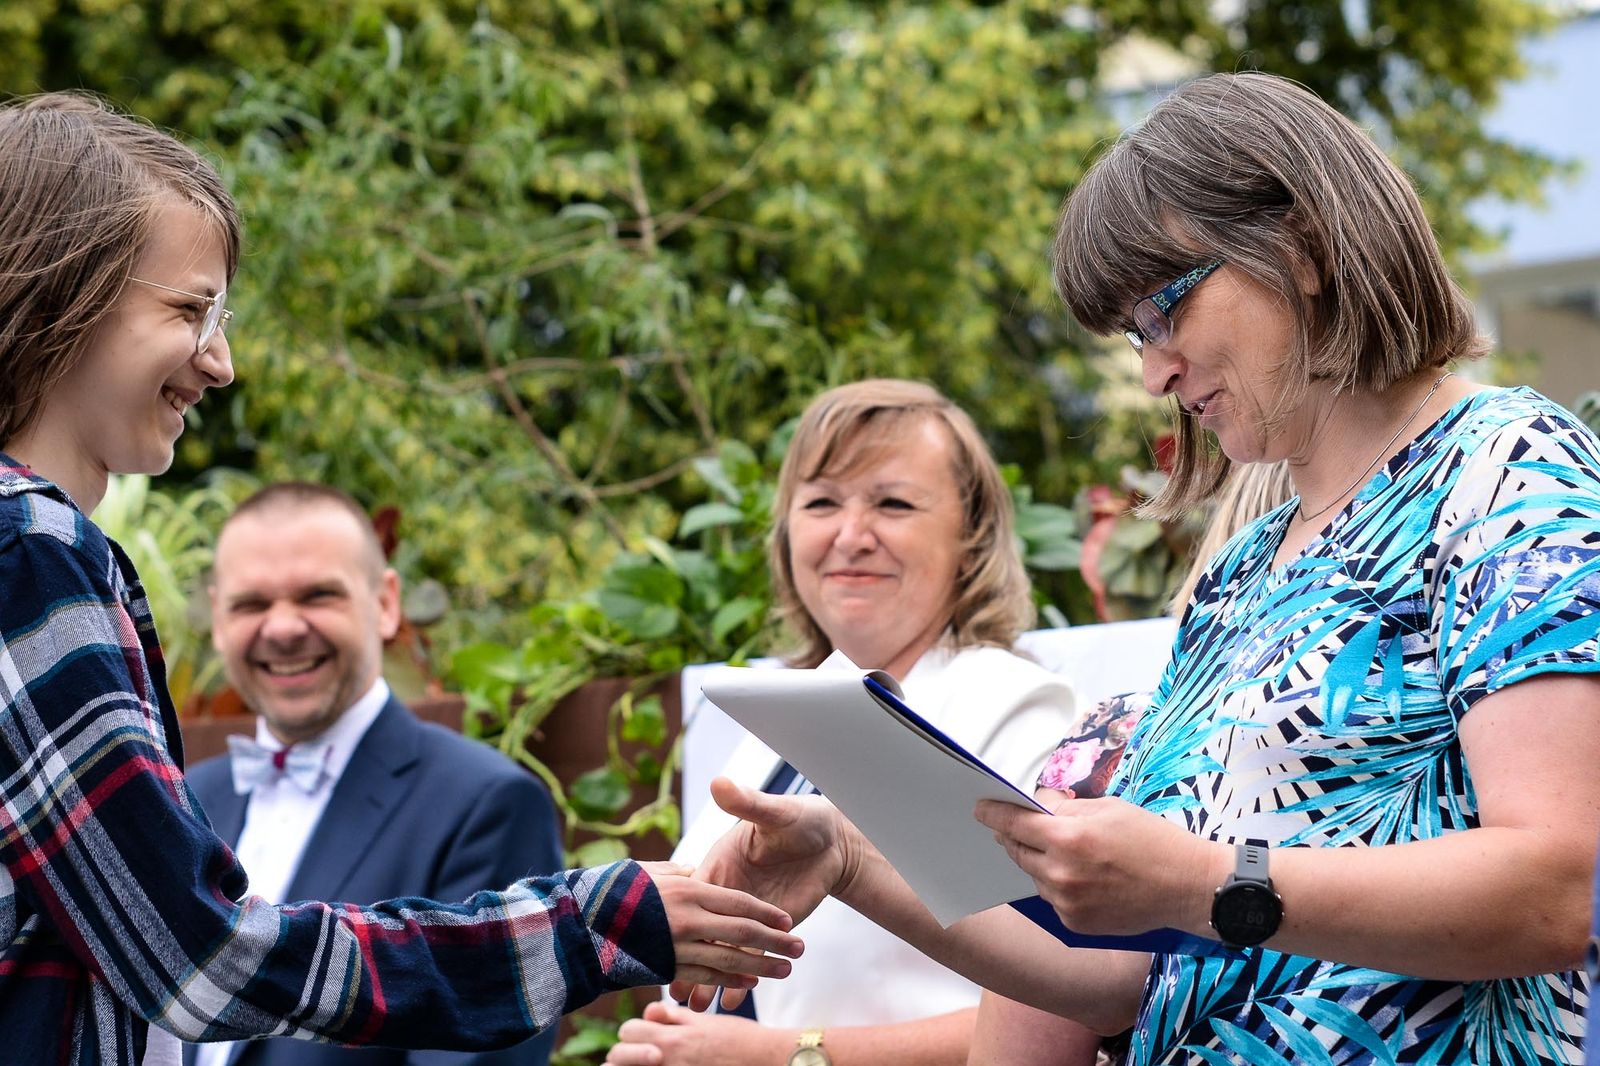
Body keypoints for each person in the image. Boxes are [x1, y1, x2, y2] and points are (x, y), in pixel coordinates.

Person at [682, 71, 1600, 1064]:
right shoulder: (1245, 565)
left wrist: (1204, 881)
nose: (1151, 371)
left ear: (1299, 248)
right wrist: (854, 856)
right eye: (1132, 335)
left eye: (1162, 312)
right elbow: (1125, 980)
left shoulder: (1507, 468)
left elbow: (1553, 888)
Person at [0, 91, 802, 1066]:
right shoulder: (27, 551)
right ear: (59, 292)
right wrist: (597, 920)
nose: (222, 362)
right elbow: (195, 956)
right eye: (189, 310)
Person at [605, 379, 1091, 1066]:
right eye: (822, 502)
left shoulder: (1014, 706)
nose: (850, 536)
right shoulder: (780, 722)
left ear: (973, 537)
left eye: (892, 504)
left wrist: (782, 1057)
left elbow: (1068, 1000)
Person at [182, 482, 564, 1066]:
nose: (282, 628)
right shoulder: (181, 802)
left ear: (386, 603)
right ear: (218, 620)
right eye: (251, 604)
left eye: (317, 595)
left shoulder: (488, 807)